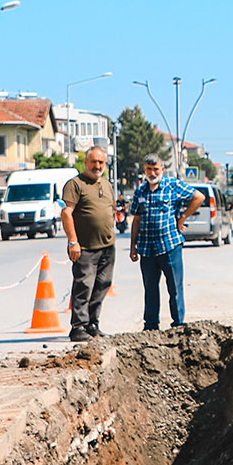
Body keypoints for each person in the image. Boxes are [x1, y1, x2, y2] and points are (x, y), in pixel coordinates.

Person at [127, 153, 201, 331]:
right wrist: (133, 246)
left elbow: (198, 197)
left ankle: (178, 324)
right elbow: (136, 219)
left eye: (155, 169)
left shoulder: (172, 186)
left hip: (170, 246)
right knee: (150, 289)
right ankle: (151, 325)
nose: (152, 173)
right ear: (144, 170)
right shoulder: (140, 191)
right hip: (146, 248)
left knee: (175, 287)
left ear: (162, 169)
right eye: (149, 169)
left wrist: (183, 217)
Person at [61, 146, 117, 342]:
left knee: (102, 285)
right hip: (84, 247)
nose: (98, 166)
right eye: (94, 162)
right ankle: (78, 327)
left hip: (107, 246)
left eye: (101, 162)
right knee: (84, 285)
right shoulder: (75, 184)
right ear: (86, 163)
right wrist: (73, 242)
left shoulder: (108, 185)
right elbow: (67, 213)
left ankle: (93, 323)